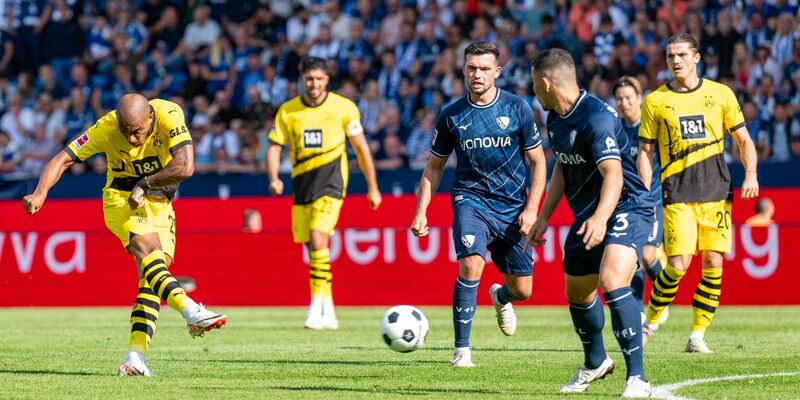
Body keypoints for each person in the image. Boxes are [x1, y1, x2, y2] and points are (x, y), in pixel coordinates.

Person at [21, 93, 228, 377]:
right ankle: (191, 310)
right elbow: (63, 158)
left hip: (159, 200)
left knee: (152, 279)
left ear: (151, 118)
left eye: (137, 132)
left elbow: (185, 166)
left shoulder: (169, 114)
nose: (131, 139)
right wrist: (40, 192)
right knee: (150, 252)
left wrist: (145, 184)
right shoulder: (106, 127)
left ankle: (135, 358)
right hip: (120, 199)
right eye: (125, 132)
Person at [410, 42, 547, 368]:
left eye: (484, 68)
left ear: (497, 72)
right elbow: (434, 167)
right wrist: (421, 211)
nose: (477, 74)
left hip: (512, 207)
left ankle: (501, 297)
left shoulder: (517, 108)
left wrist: (532, 211)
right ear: (463, 70)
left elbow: (539, 162)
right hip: (470, 200)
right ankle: (462, 351)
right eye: (472, 68)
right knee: (471, 264)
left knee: (523, 290)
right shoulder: (452, 115)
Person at [526, 49, 653, 397]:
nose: (533, 91)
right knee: (578, 292)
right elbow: (562, 165)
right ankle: (596, 361)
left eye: (534, 84)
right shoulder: (556, 118)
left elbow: (614, 174)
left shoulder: (595, 117)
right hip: (590, 214)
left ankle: (637, 378)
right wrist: (544, 216)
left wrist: (600, 218)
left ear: (547, 83)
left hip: (626, 206)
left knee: (612, 280)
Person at [639, 33, 760, 353]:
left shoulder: (720, 94)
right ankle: (650, 323)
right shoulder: (655, 101)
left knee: (713, 262)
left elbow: (744, 140)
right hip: (677, 193)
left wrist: (751, 173)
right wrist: (645, 189)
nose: (675, 61)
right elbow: (645, 151)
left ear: (696, 57)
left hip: (716, 192)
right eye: (670, 56)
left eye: (681, 54)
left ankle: (697, 335)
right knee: (677, 264)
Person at [267, 56, 381, 330]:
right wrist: (274, 177)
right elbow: (275, 146)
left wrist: (372, 187)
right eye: (309, 79)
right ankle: (328, 310)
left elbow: (361, 148)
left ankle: (315, 306)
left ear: (327, 80)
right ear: (302, 80)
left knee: (318, 238)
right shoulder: (288, 111)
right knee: (312, 247)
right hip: (302, 185)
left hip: (331, 183)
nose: (314, 84)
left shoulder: (344, 108)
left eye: (319, 79)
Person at [612, 76, 669, 323]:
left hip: (653, 200)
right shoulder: (615, 130)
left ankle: (663, 295)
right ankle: (639, 312)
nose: (624, 103)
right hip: (625, 203)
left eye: (628, 97)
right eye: (619, 98)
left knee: (647, 255)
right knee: (630, 260)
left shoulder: (650, 126)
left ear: (639, 98)